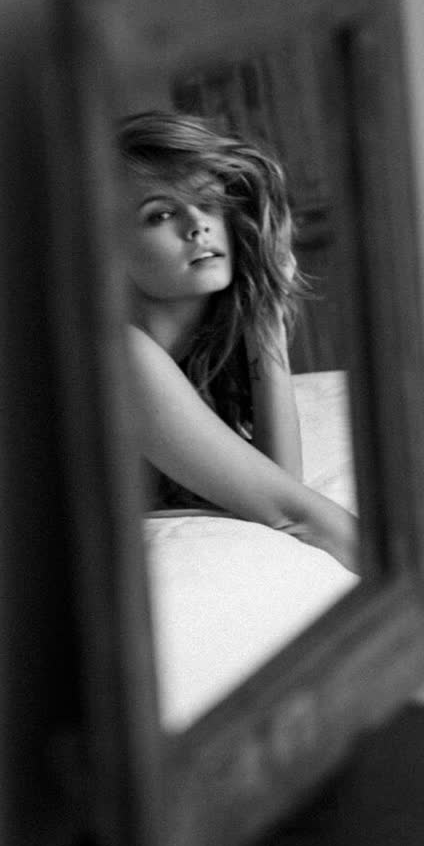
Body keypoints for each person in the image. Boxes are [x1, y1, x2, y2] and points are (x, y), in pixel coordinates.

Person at [115, 110, 357, 568]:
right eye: (161, 214)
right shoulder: (119, 353)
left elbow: (278, 487)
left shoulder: (202, 355)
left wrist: (266, 318)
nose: (197, 225)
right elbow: (293, 513)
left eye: (209, 203)